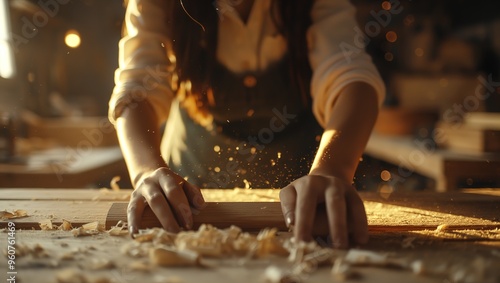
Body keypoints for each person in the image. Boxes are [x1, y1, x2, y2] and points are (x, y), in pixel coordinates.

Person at [108, 0, 386, 248]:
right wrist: (146, 171)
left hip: (306, 193)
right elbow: (136, 90)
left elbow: (351, 77)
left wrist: (332, 169)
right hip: (189, 192)